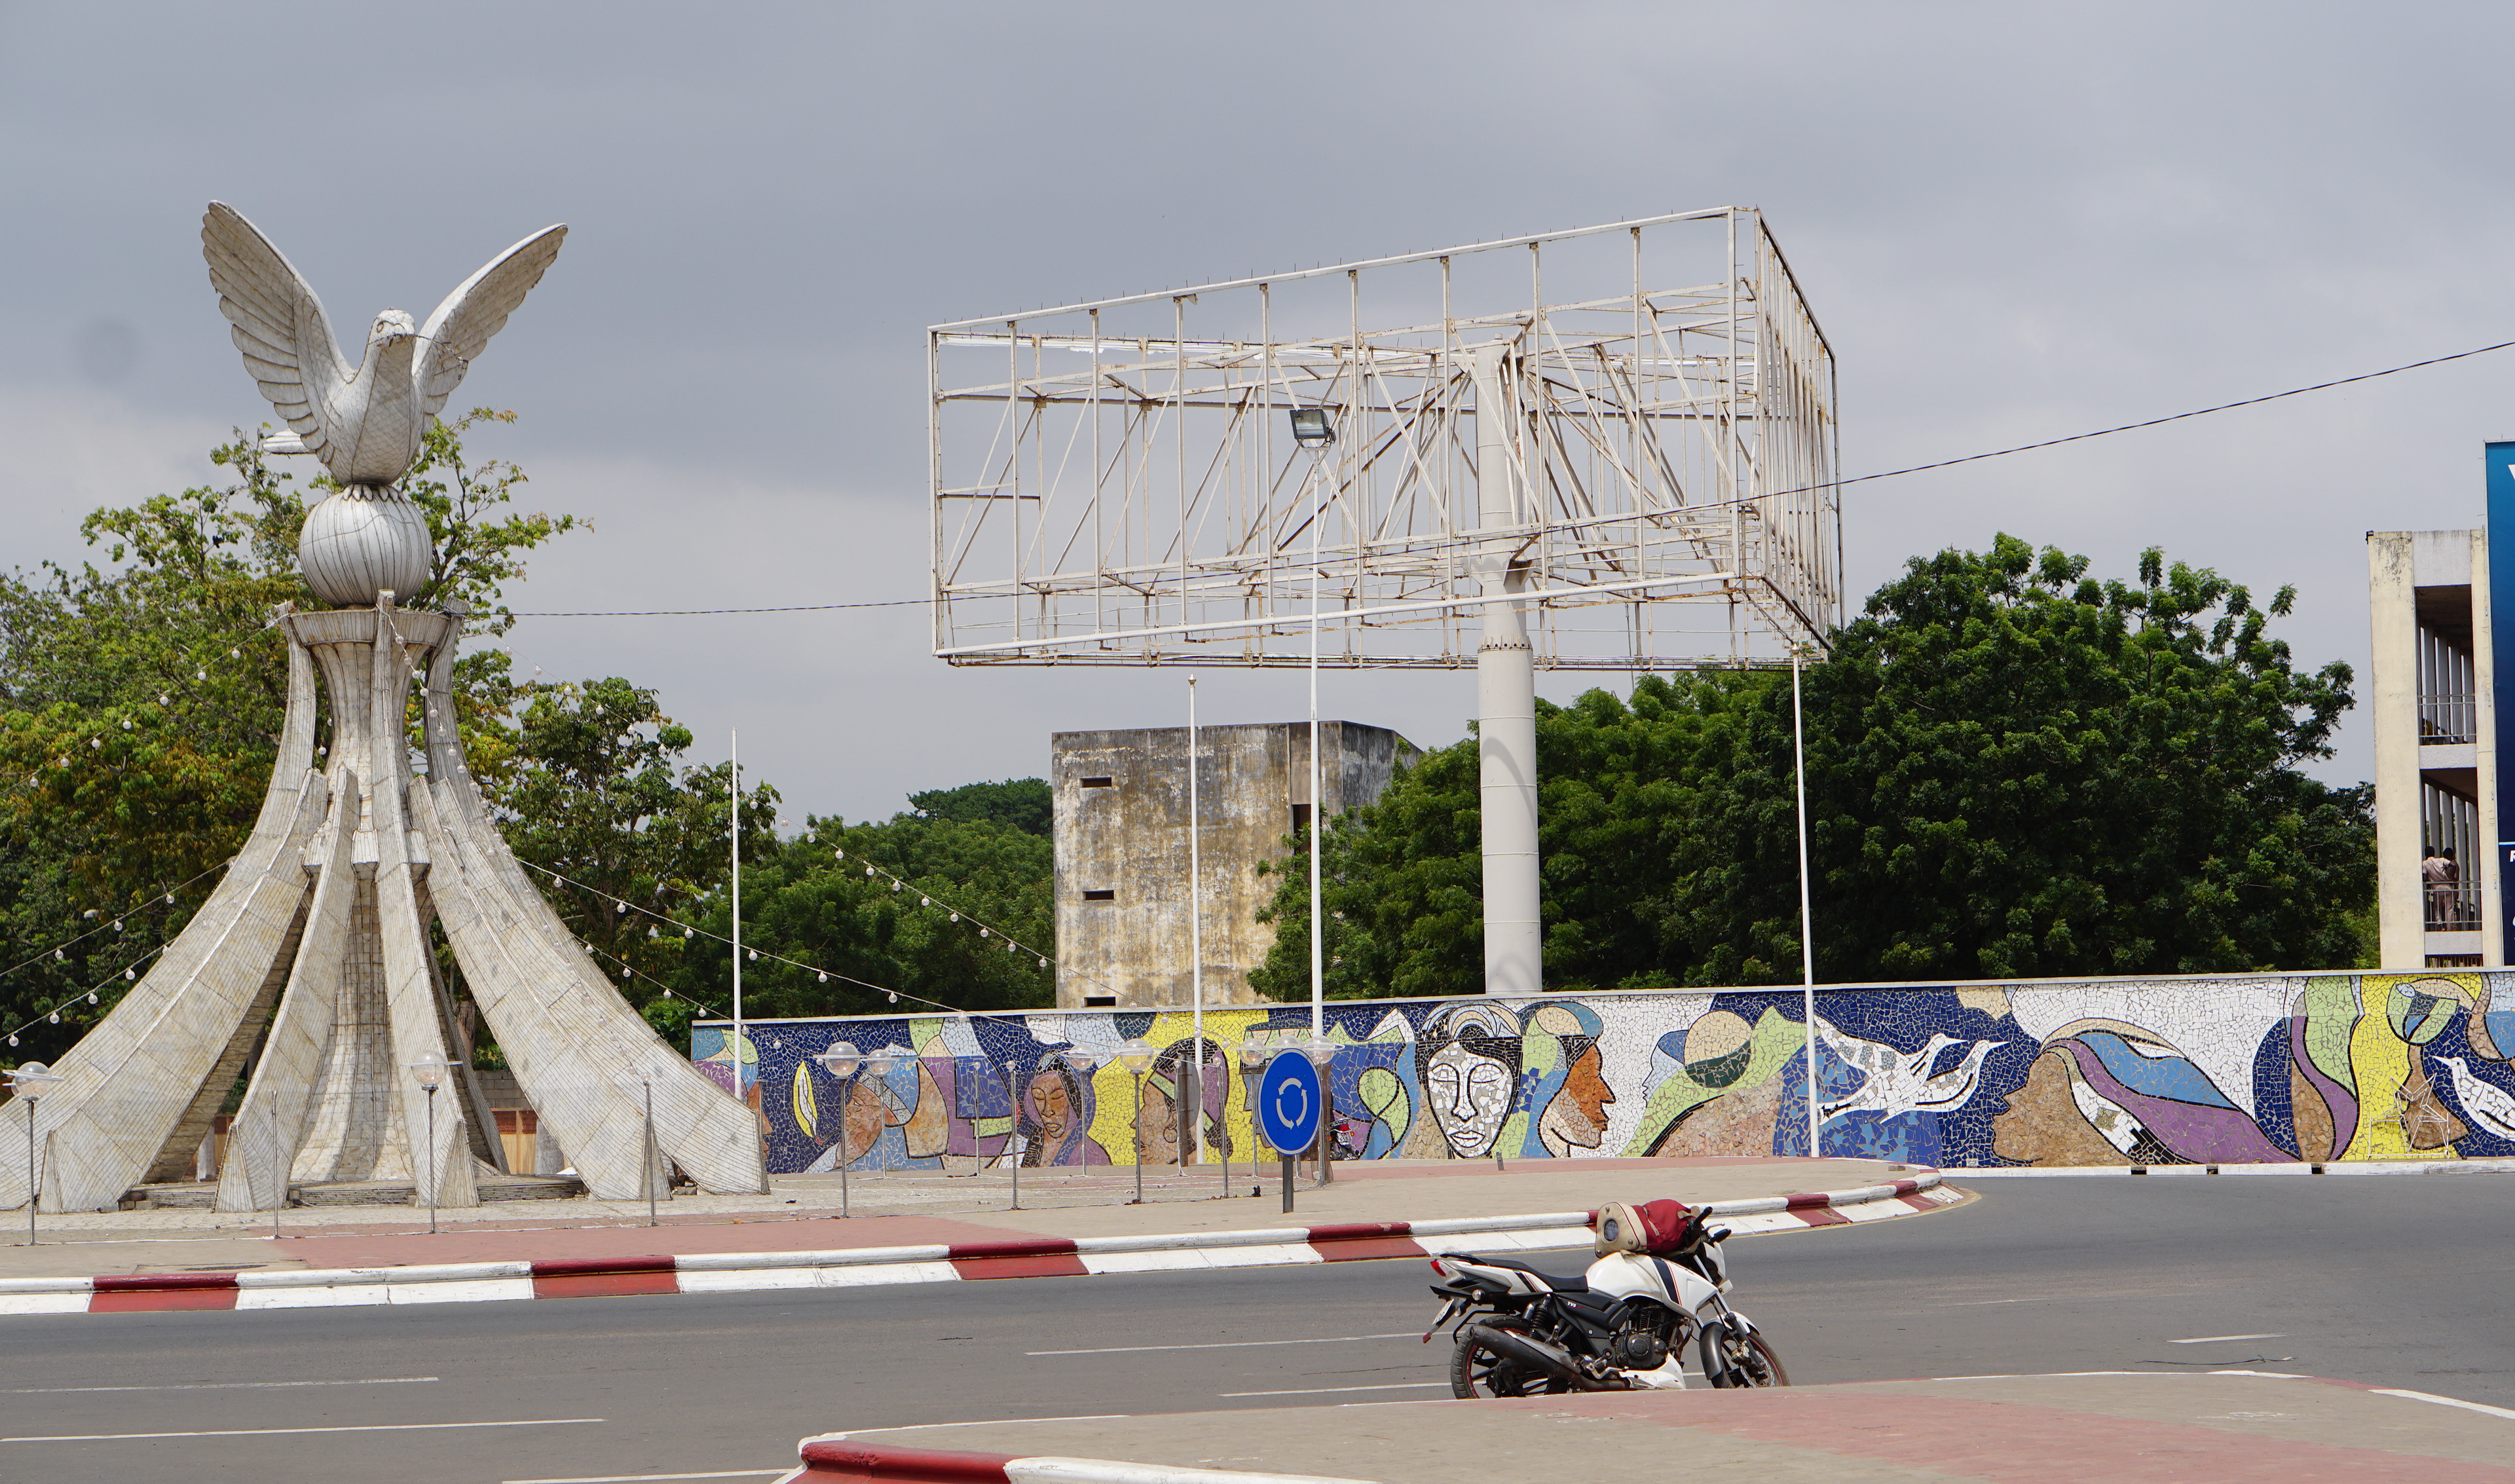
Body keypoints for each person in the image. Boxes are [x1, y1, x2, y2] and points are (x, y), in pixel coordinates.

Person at [2423, 845, 2461, 929]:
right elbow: (2453, 865)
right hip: (2448, 887)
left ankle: (2440, 926)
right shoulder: (2441, 860)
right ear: (2434, 853)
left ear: (2425, 854)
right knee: (2449, 909)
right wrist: (2450, 878)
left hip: (2437, 889)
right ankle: (2450, 928)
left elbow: (2425, 878)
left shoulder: (2425, 864)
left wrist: (2429, 880)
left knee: (2437, 908)